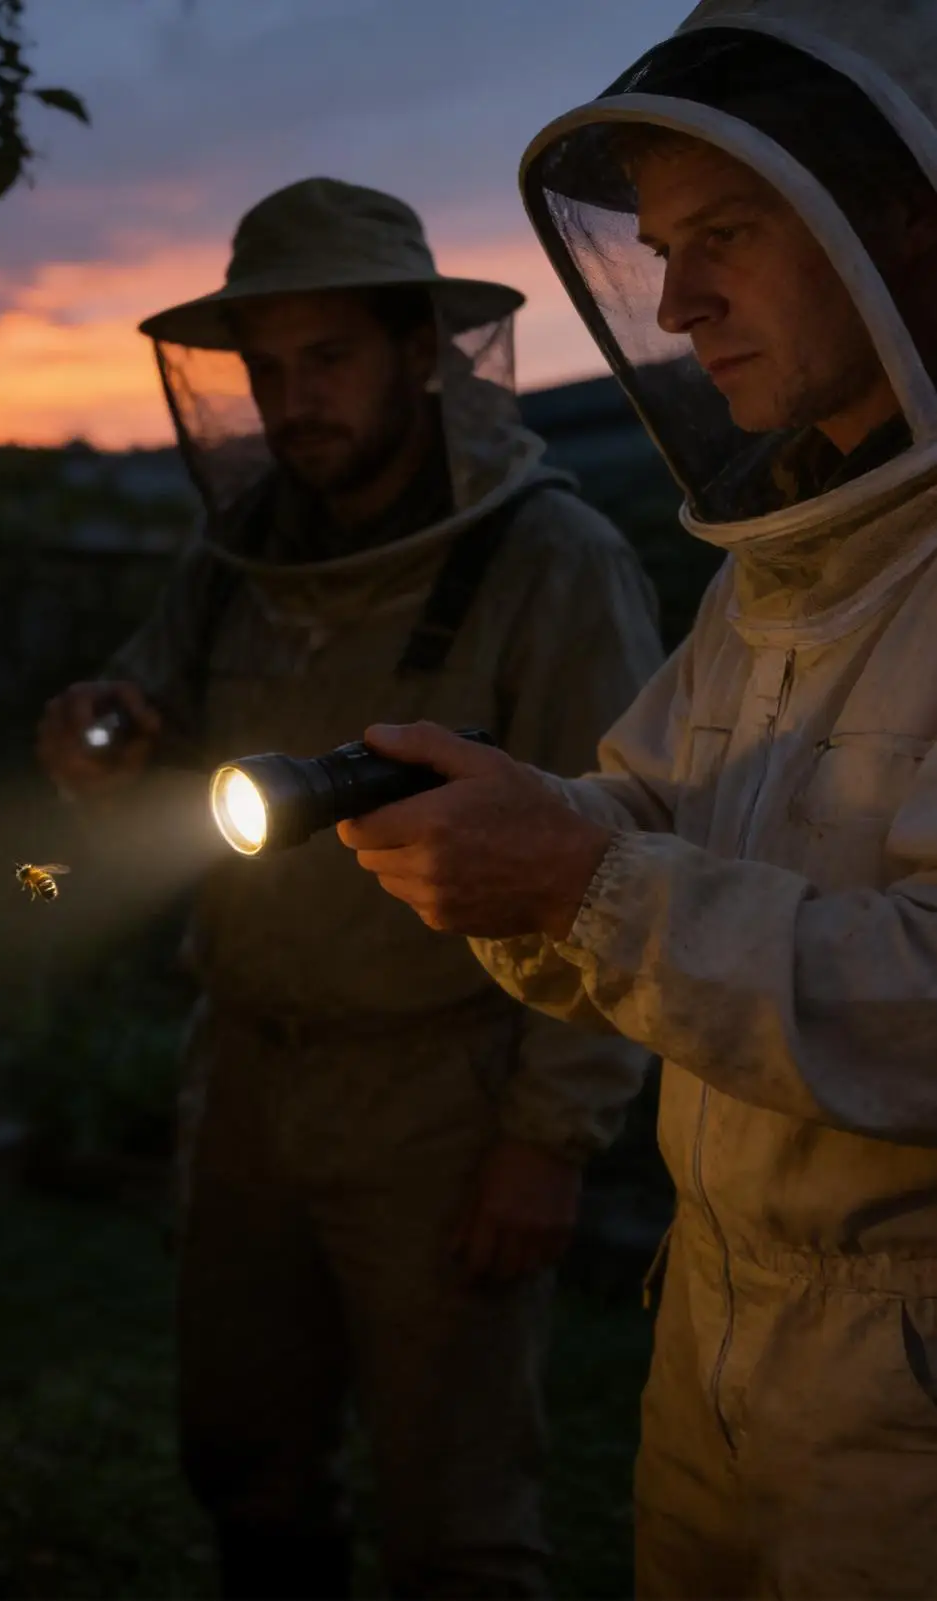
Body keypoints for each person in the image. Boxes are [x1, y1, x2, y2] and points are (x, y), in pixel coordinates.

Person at [335, 8, 937, 1596]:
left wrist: (573, 884)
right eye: (663, 250)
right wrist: (513, 821)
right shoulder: (782, 566)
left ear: (903, 217)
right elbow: (653, 816)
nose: (676, 303)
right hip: (717, 1327)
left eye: (727, 234)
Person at [36, 177, 663, 1599]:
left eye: (328, 358)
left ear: (418, 352)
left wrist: (550, 1143)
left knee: (457, 1515)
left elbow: (625, 858)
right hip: (247, 1073)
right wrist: (97, 737)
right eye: (268, 369)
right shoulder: (239, 555)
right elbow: (144, 720)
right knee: (244, 1461)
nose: (294, 399)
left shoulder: (553, 561)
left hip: (444, 1093)